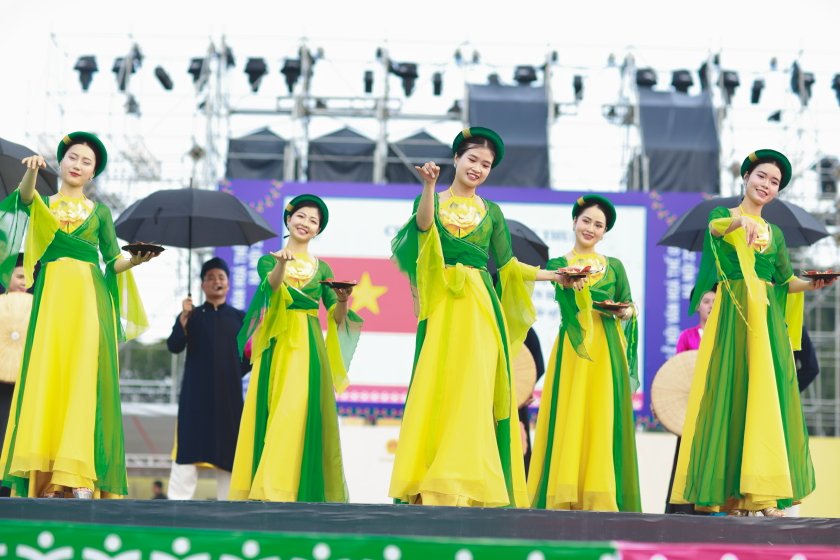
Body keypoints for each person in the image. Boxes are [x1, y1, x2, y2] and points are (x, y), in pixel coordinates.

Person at [389, 127, 561, 507]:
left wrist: (555, 276)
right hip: (442, 305)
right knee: (438, 386)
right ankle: (429, 480)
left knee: (474, 389)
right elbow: (422, 228)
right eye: (472, 159)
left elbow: (510, 266)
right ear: (456, 158)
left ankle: (467, 483)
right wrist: (429, 186)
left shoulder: (492, 212)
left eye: (486, 164)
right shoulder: (432, 199)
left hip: (480, 306)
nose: (478, 168)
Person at [670, 149, 835, 517]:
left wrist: (813, 283)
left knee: (763, 399)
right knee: (730, 396)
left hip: (766, 322)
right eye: (761, 176)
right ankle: (729, 497)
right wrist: (739, 223)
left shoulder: (775, 235)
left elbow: (785, 281)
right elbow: (714, 229)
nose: (766, 185)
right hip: (733, 317)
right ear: (746, 177)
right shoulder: (723, 215)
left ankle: (764, 495)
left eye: (774, 182)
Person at [0, 132, 155, 499]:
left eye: (87, 162)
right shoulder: (43, 203)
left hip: (89, 301)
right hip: (51, 301)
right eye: (72, 157)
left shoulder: (100, 213)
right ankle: (45, 478)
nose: (78, 165)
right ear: (61, 162)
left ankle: (75, 475)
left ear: (92, 173)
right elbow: (23, 199)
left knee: (82, 381)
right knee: (49, 378)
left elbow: (112, 260)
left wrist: (134, 260)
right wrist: (31, 171)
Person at [230, 194, 362, 502]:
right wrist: (281, 264)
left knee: (297, 411)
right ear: (289, 219)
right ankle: (268, 487)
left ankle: (285, 488)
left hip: (308, 347)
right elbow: (272, 288)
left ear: (318, 230)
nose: (306, 223)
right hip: (277, 343)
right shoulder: (269, 260)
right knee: (276, 409)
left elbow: (337, 317)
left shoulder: (323, 268)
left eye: (313, 221)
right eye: (301, 216)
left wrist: (343, 301)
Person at [527, 194, 641, 512]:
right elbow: (566, 302)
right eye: (586, 221)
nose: (591, 228)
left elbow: (630, 304)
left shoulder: (615, 266)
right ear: (574, 222)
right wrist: (572, 283)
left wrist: (624, 311)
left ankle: (599, 493)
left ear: (604, 233)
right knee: (572, 411)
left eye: (598, 225)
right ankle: (567, 492)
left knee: (601, 415)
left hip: (607, 347)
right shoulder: (558, 265)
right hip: (574, 347)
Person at [166, 257, 250, 501]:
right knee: (188, 449)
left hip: (229, 399)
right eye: (210, 278)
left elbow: (249, 358)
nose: (216, 282)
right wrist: (182, 321)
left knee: (230, 454)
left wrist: (229, 372)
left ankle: (230, 509)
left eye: (221, 277)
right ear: (202, 284)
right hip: (195, 397)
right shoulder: (191, 316)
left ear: (229, 283)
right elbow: (174, 346)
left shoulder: (240, 318)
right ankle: (176, 507)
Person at [664, 285, 716, 514]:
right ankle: (682, 508)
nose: (711, 306)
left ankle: (712, 505)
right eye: (706, 301)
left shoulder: (724, 338)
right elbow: (678, 372)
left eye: (715, 301)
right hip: (689, 410)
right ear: (697, 306)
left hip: (714, 409)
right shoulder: (687, 337)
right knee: (684, 458)